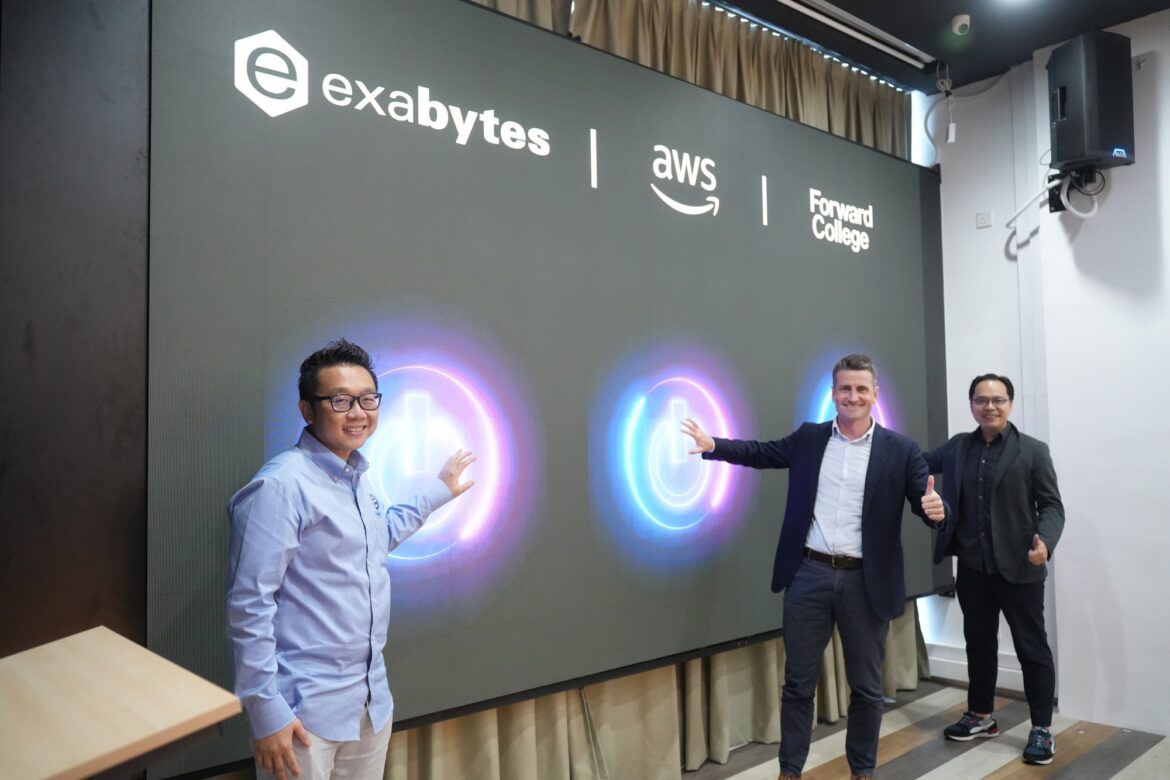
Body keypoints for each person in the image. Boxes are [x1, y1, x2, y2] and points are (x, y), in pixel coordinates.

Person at [681, 354, 946, 780]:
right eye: (845, 388)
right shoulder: (810, 438)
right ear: (833, 393)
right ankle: (790, 771)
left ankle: (862, 771)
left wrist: (936, 510)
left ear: (875, 395)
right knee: (798, 683)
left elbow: (924, 500)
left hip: (866, 583)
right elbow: (763, 453)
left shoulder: (901, 450)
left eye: (861, 389)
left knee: (866, 688)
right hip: (809, 575)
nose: (853, 396)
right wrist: (715, 445)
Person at [226, 339, 476, 780]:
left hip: (370, 702)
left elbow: (374, 539)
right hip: (302, 713)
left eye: (367, 399)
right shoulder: (281, 487)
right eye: (340, 401)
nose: (358, 412)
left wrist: (438, 492)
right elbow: (249, 604)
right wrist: (265, 711)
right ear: (308, 410)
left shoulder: (357, 476)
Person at [925, 373, 1064, 765]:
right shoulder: (957, 447)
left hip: (1020, 569)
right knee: (979, 644)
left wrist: (1045, 541)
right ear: (972, 405)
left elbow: (1051, 505)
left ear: (1010, 404)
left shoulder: (1033, 451)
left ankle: (1041, 728)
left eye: (998, 399)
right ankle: (981, 715)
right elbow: (916, 463)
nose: (990, 406)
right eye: (981, 400)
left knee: (1031, 649)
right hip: (973, 569)